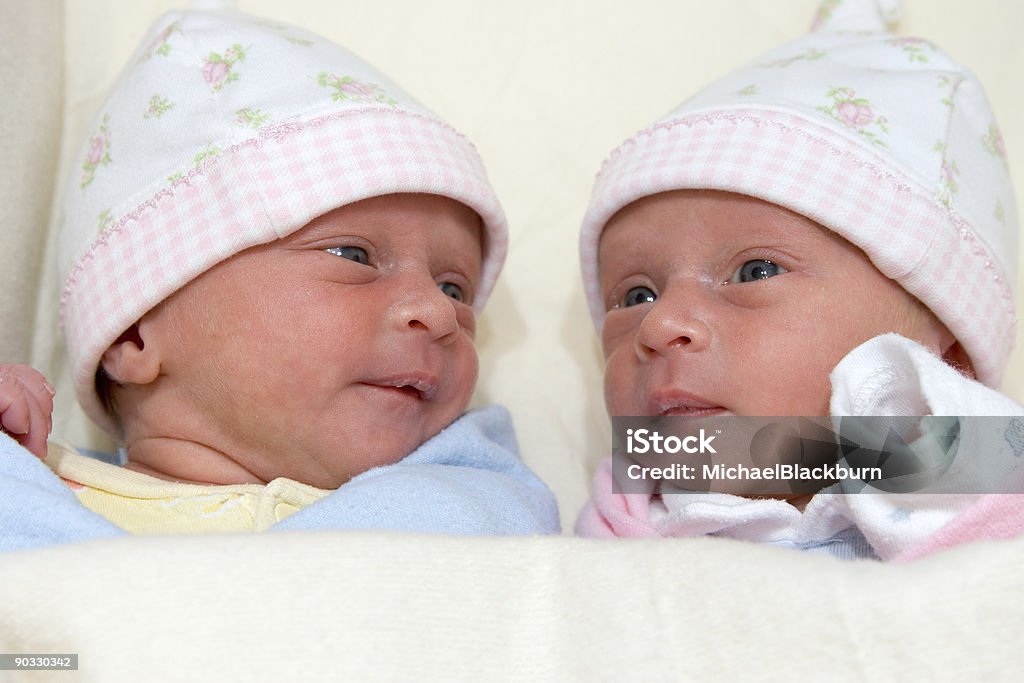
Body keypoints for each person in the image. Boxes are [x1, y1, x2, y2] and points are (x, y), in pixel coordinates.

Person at [0, 8, 558, 552]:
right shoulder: (44, 496)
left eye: (454, 289)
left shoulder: (469, 496)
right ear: (133, 336)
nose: (438, 314)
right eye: (353, 255)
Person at [574, 0, 1024, 559]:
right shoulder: (622, 524)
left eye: (755, 271)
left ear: (943, 359)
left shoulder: (995, 489)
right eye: (636, 295)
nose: (661, 323)